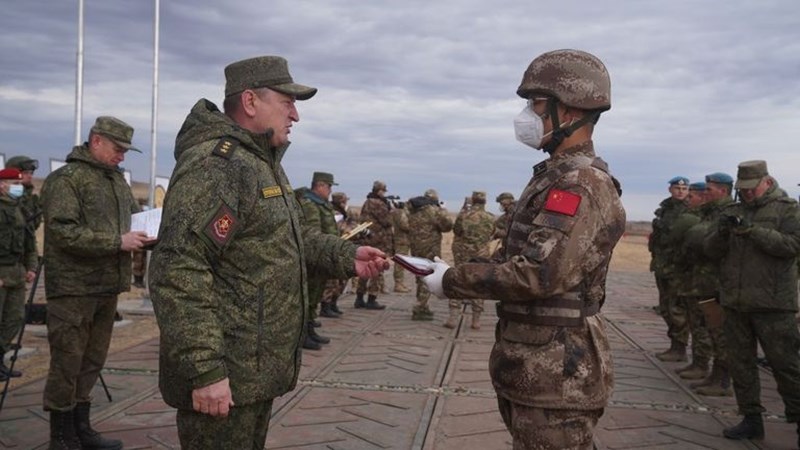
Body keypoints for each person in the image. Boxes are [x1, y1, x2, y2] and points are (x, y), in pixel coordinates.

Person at [148, 55, 389, 450]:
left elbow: (287, 237)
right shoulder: (219, 165)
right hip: (225, 372)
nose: (295, 115)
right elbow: (178, 270)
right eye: (287, 103)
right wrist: (205, 370)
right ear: (250, 102)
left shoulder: (261, 162)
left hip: (252, 370)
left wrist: (347, 255)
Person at [423, 49, 625, 449]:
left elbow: (538, 273)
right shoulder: (555, 177)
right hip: (535, 364)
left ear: (569, 110)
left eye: (535, 104)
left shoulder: (579, 183)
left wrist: (453, 281)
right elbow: (518, 256)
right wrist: (457, 269)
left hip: (559, 372)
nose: (526, 116)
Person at [41, 116, 146, 450]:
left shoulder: (116, 182)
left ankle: (81, 429)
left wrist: (149, 234)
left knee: (92, 362)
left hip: (107, 286)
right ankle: (61, 437)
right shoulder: (67, 180)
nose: (122, 156)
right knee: (67, 362)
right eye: (118, 148)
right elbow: (63, 231)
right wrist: (117, 242)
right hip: (73, 289)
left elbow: (134, 221)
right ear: (96, 141)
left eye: (125, 150)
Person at [703, 160, 800, 445]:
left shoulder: (788, 209)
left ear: (767, 182)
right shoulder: (733, 210)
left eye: (751, 188)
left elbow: (793, 245)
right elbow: (710, 250)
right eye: (742, 189)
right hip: (736, 303)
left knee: (787, 366)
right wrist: (721, 233)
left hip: (774, 305)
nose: (746, 193)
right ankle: (751, 419)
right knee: (741, 365)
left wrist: (753, 231)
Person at [686, 172, 736, 397]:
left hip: (718, 283)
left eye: (709, 189)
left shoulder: (728, 213)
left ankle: (723, 380)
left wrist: (697, 235)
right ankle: (714, 374)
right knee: (709, 328)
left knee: (720, 332)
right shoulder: (712, 212)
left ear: (723, 191)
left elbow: (707, 241)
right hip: (706, 280)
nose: (704, 193)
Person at [667, 182, 713, 381]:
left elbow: (677, 240)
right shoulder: (697, 217)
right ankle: (698, 363)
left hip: (700, 280)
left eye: (691, 196)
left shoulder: (694, 219)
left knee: (701, 324)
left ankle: (702, 365)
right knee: (695, 322)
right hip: (692, 277)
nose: (687, 199)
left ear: (701, 197)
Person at [0, 168, 37, 382]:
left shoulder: (19, 209)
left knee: (14, 318)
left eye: (19, 184)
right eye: (14, 183)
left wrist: (31, 267)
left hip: (17, 271)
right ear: (2, 185)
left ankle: (0, 359)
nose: (18, 187)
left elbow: (29, 241)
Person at [650, 176, 690, 362]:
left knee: (677, 309)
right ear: (670, 190)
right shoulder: (665, 209)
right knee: (665, 308)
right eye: (677, 188)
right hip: (662, 265)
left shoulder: (690, 210)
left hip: (678, 267)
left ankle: (679, 347)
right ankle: (675, 345)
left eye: (684, 188)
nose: (681, 191)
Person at [299, 171, 341, 349]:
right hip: (314, 258)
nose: (330, 190)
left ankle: (310, 329)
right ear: (320, 185)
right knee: (307, 297)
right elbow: (312, 235)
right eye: (329, 186)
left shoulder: (321, 204)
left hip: (322, 257)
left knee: (315, 295)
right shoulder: (309, 204)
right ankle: (302, 334)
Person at [448, 191, 494, 329]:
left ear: (472, 200)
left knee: (458, 280)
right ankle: (476, 320)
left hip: (462, 253)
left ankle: (453, 317)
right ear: (485, 202)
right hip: (481, 255)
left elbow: (457, 231)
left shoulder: (463, 215)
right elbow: (492, 233)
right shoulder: (490, 217)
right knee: (479, 282)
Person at [409, 189, 453, 321]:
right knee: (428, 276)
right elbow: (447, 226)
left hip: (416, 247)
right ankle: (420, 307)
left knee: (419, 275)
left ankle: (422, 304)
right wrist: (443, 210)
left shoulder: (414, 209)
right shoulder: (434, 211)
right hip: (430, 249)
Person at [356, 180, 393, 310]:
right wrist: (391, 210)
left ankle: (359, 298)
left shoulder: (367, 202)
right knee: (377, 269)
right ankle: (372, 298)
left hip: (367, 240)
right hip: (378, 242)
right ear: (380, 191)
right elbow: (387, 221)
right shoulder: (379, 204)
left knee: (365, 269)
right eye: (383, 191)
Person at [5, 156, 43, 230]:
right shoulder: (5, 197)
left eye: (31, 173)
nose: (30, 176)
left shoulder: (31, 198)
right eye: (25, 173)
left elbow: (34, 225)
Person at [391, 199, 411, 293]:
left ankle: (400, 283)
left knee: (402, 263)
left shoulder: (397, 212)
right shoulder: (401, 213)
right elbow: (405, 226)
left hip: (402, 240)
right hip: (402, 241)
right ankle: (398, 284)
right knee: (400, 263)